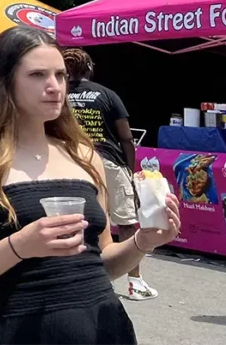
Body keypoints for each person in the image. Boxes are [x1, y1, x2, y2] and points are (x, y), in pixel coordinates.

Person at [0, 26, 183, 344]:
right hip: (26, 329)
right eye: (37, 75)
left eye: (60, 75)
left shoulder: (83, 154)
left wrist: (144, 241)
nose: (54, 87)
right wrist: (20, 245)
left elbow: (101, 261)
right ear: (4, 82)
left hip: (106, 326)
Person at [63, 49, 154, 301]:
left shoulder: (58, 95)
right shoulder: (107, 94)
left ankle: (79, 277)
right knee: (125, 222)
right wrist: (129, 170)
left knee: (75, 222)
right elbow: (125, 137)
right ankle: (134, 281)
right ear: (89, 68)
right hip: (108, 162)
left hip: (70, 161)